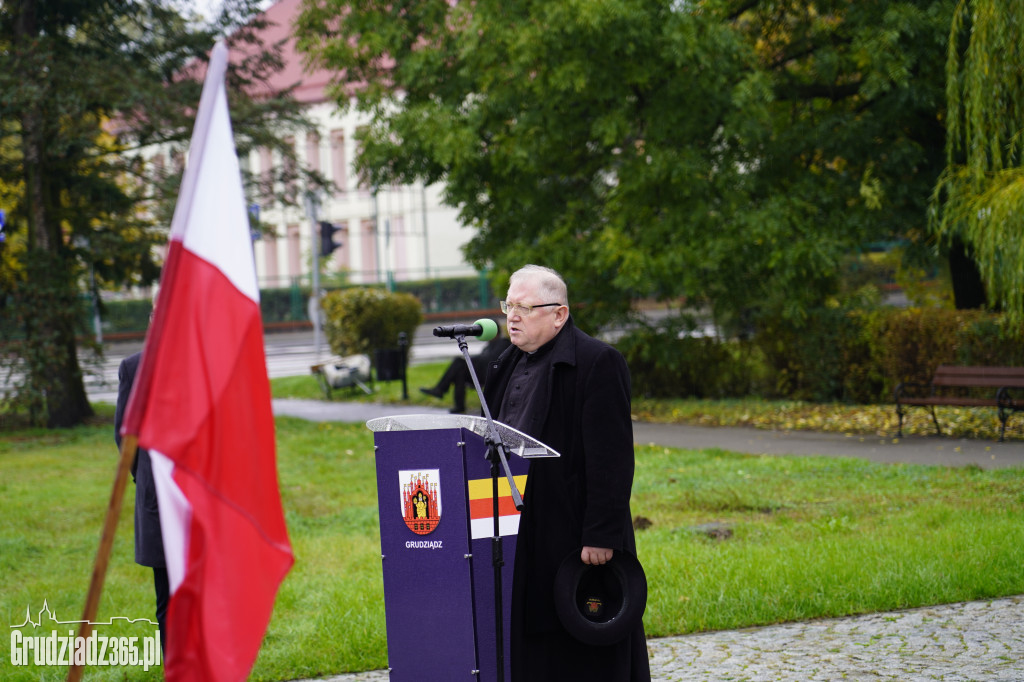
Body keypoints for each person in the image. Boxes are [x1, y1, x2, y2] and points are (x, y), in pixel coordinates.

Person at [482, 265, 650, 681]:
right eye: (509, 306)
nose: (512, 317)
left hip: (576, 531)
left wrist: (601, 534)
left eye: (524, 307)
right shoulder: (503, 364)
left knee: (582, 648)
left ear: (559, 314)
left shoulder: (598, 363)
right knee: (534, 643)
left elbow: (611, 458)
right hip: (519, 527)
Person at [114, 350, 168, 653]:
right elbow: (125, 437)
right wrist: (144, 477)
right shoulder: (133, 367)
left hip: (203, 498)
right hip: (158, 498)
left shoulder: (206, 360)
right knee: (167, 594)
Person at [420, 327, 511, 413]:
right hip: (481, 373)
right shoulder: (488, 346)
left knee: (459, 362)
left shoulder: (503, 342)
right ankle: (459, 405)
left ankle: (440, 389)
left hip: (490, 374)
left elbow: (490, 359)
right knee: (460, 370)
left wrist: (470, 360)